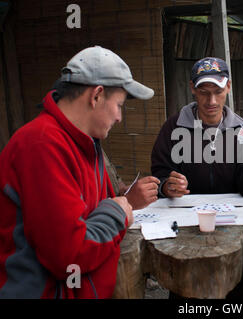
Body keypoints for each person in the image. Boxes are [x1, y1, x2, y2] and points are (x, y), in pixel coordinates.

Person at [0, 46, 154, 298]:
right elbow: (69, 255)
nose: (119, 118)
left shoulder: (87, 144)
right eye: (119, 105)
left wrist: (119, 203)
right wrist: (118, 211)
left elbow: (98, 208)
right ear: (96, 96)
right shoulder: (42, 145)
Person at [151, 57, 243, 198]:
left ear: (228, 86)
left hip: (232, 213)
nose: (212, 101)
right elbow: (159, 175)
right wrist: (167, 186)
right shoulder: (173, 127)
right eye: (204, 92)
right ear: (193, 88)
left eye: (218, 92)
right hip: (186, 213)